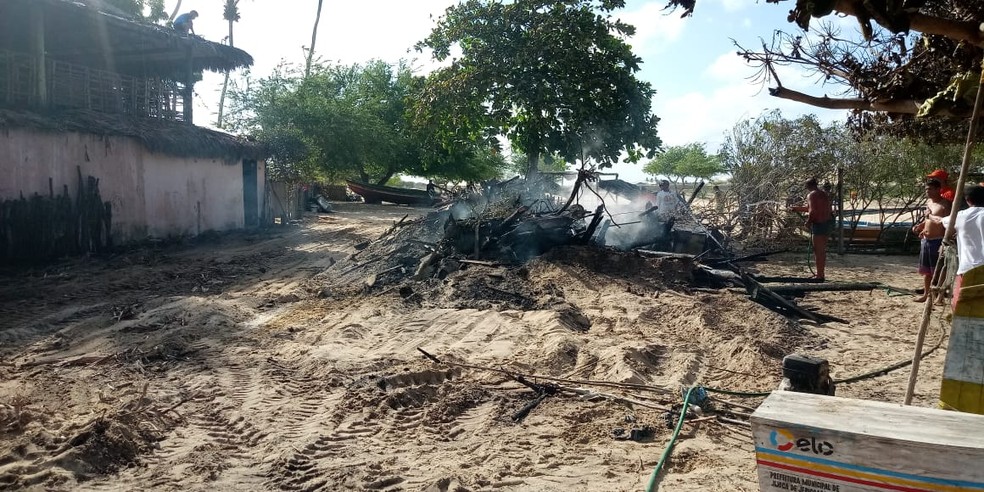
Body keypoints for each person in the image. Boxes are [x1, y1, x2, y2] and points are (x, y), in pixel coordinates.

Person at [934, 184, 984, 309]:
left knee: (961, 306)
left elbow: (942, 221)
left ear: (967, 200)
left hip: (969, 268)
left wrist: (929, 215)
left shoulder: (961, 216)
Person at [911, 179, 951, 303]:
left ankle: (939, 296)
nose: (927, 192)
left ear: (938, 189)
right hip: (926, 240)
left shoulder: (946, 204)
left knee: (939, 271)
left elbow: (946, 221)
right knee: (927, 271)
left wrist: (946, 243)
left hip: (938, 241)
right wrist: (920, 226)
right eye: (926, 189)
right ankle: (926, 294)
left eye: (930, 189)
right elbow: (928, 220)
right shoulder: (929, 203)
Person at [790, 177, 833, 281]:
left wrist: (808, 222)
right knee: (821, 250)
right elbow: (815, 208)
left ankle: (820, 276)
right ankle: (820, 274)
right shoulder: (823, 194)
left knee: (818, 251)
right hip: (828, 223)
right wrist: (796, 208)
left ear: (808, 186)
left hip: (819, 224)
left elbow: (813, 211)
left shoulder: (811, 195)